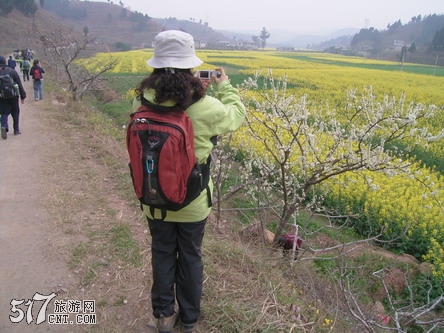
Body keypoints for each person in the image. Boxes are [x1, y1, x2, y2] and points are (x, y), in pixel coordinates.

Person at [132, 30, 246, 333]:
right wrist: (223, 87)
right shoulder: (206, 106)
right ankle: (190, 319)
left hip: (154, 199)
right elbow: (236, 115)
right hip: (193, 202)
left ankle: (163, 316)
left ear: (156, 66)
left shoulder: (145, 99)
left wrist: (195, 91)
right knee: (191, 256)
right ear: (190, 67)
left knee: (162, 252)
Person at [0, 56, 26, 139]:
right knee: (15, 112)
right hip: (14, 95)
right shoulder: (12, 71)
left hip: (2, 96)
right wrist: (23, 95)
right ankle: (16, 129)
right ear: (5, 62)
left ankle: (4, 126)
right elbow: (19, 83)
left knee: (4, 112)